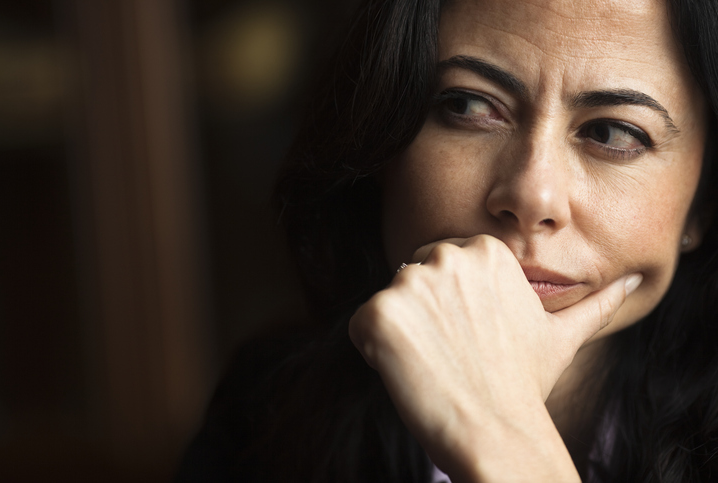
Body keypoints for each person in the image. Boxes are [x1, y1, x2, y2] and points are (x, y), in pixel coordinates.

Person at [177, 0, 718, 481]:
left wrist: (501, 442)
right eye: (468, 106)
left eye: (612, 133)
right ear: (382, 145)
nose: (532, 195)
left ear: (703, 201)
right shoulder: (264, 418)